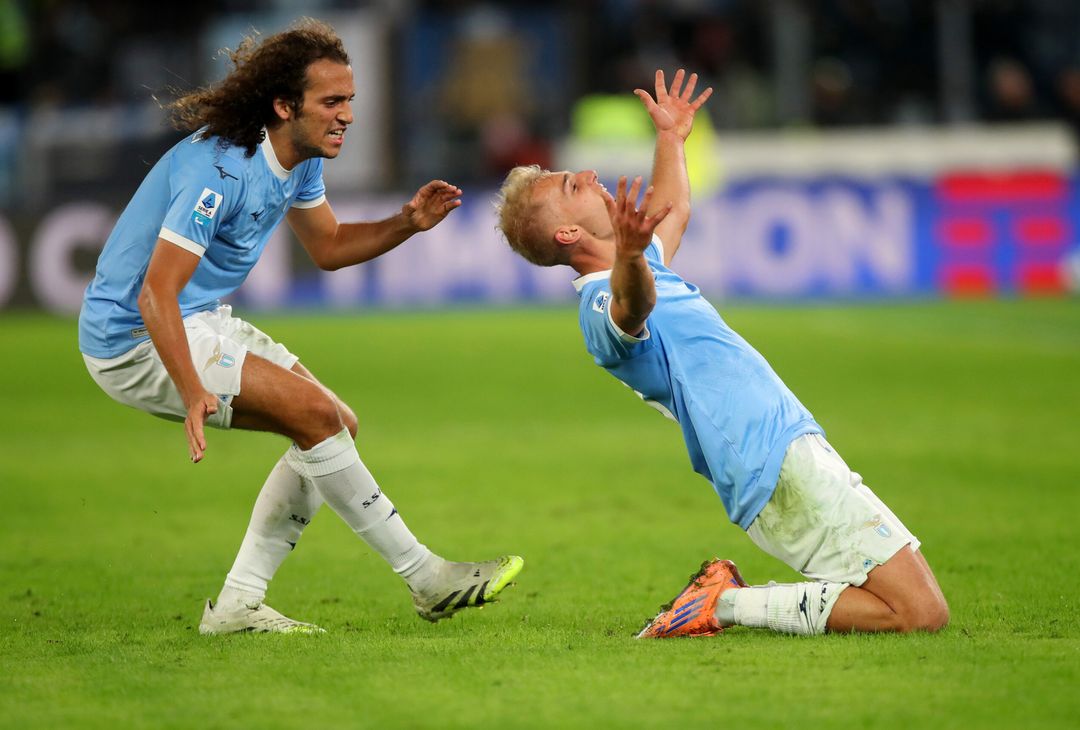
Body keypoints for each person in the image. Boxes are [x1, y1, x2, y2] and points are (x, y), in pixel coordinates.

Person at [78, 19, 522, 635]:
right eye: (332, 102)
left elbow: (330, 246)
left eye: (350, 102)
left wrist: (408, 222)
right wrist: (190, 390)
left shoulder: (300, 157)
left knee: (335, 424)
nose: (346, 116)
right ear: (285, 105)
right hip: (132, 337)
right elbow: (156, 292)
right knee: (316, 419)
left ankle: (237, 606)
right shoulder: (222, 170)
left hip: (190, 317)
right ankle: (426, 578)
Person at [495, 69, 947, 637]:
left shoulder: (640, 263)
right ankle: (724, 603)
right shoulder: (599, 307)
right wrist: (631, 259)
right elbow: (632, 311)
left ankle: (725, 601)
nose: (587, 174)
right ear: (566, 235)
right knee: (919, 614)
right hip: (771, 460)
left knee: (910, 608)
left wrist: (670, 138)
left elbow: (673, 209)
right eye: (570, 186)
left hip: (782, 448)